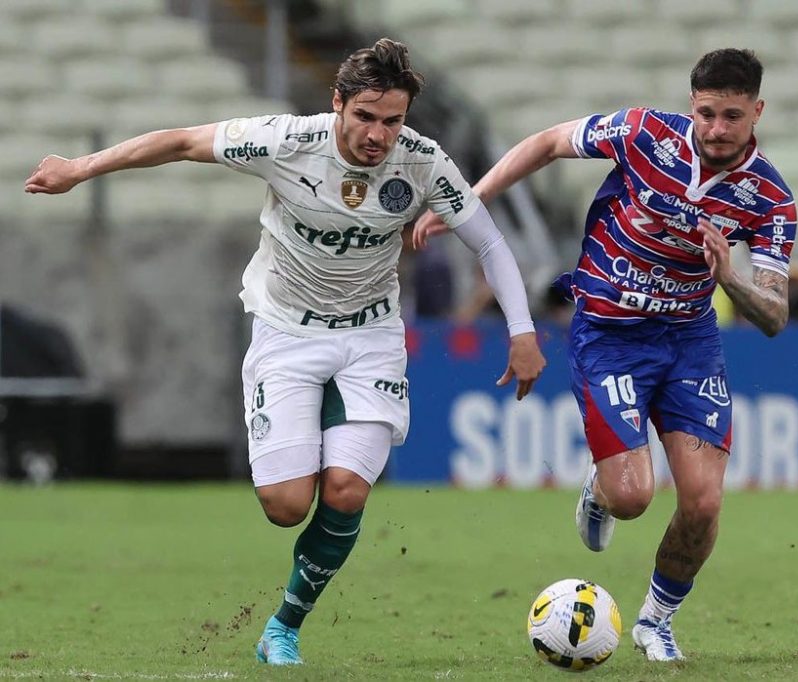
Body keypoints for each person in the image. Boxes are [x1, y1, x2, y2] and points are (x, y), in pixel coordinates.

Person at [25, 38, 546, 666]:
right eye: (366, 117)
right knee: (286, 506)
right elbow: (182, 141)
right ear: (337, 103)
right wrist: (79, 169)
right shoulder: (285, 141)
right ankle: (321, 418)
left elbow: (489, 243)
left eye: (393, 120)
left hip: (369, 339)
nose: (379, 135)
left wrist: (521, 331)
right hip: (287, 332)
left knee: (346, 490)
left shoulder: (423, 163)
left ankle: (283, 628)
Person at [414, 48, 796, 662]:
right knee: (632, 498)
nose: (717, 129)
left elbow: (774, 315)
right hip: (610, 333)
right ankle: (601, 488)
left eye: (732, 116)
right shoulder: (644, 132)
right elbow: (546, 143)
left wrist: (731, 278)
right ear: (691, 105)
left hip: (689, 343)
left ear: (758, 111)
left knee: (703, 502)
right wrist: (470, 201)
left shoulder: (770, 197)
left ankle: (655, 622)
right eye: (706, 113)